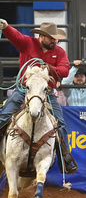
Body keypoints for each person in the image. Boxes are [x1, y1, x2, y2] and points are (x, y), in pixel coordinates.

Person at [0, 20, 77, 173]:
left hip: (46, 93)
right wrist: (6, 28)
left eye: (55, 38)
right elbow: (16, 37)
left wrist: (49, 67)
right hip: (24, 89)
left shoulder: (59, 52)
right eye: (51, 38)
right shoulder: (28, 43)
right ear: (42, 37)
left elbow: (65, 70)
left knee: (60, 124)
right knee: (5, 115)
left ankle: (65, 158)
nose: (54, 41)